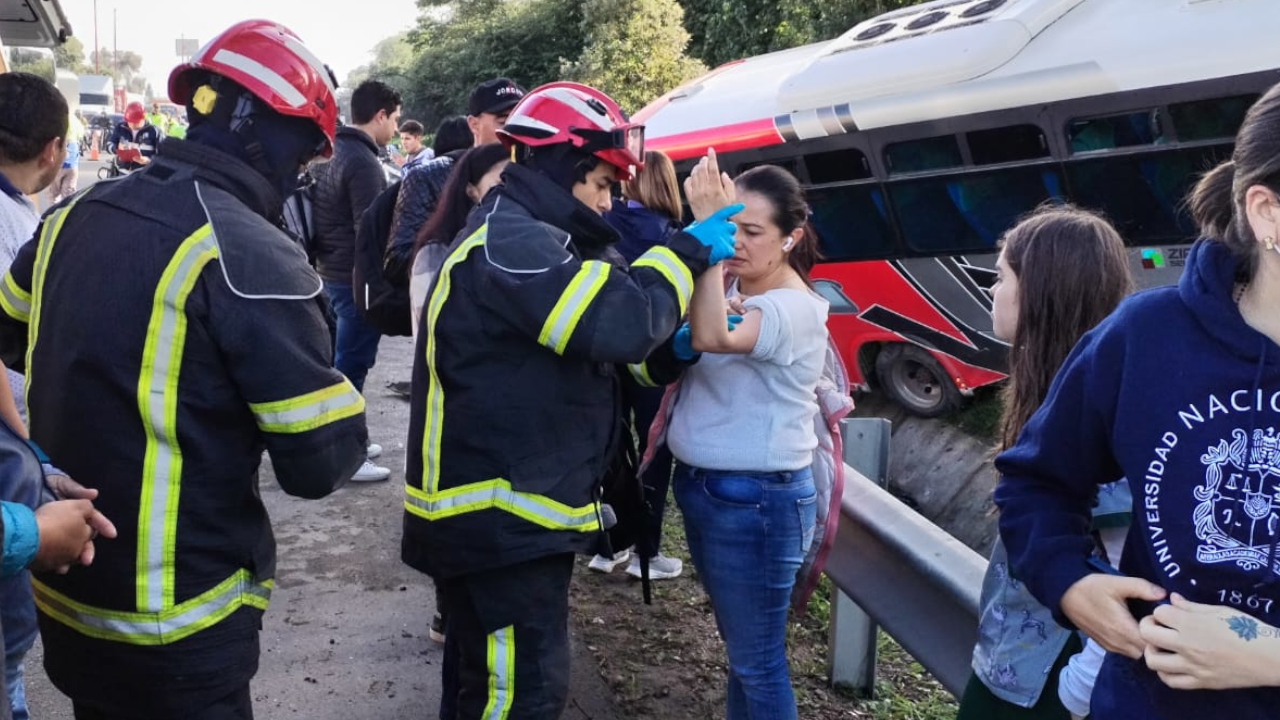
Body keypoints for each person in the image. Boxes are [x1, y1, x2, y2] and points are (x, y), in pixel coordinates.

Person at [0, 20, 369, 720]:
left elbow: (12, 340)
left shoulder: (69, 216)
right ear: (271, 137)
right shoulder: (249, 252)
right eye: (304, 158)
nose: (300, 175)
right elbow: (317, 465)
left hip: (69, 594)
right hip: (182, 625)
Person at [402, 81, 738, 719]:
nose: (611, 205)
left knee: (483, 689)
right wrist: (689, 248)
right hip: (498, 520)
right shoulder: (515, 241)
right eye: (605, 185)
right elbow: (615, 323)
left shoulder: (542, 239)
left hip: (503, 520)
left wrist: (671, 353)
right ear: (567, 167)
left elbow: (604, 357)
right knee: (517, 697)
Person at [994, 82, 1280, 720]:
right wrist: (1070, 580)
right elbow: (1034, 482)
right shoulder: (1145, 338)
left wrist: (1268, 657)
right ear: (1267, 211)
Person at [657, 154, 825, 720]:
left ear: (791, 237)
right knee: (744, 654)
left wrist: (705, 243)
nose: (736, 243)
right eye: (730, 229)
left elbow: (709, 337)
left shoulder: (791, 308)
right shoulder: (743, 293)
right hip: (718, 492)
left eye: (752, 231)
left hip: (756, 499)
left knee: (757, 661)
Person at [954, 206, 1134, 720]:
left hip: (1052, 685)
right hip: (1017, 668)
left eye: (1001, 275)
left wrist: (1075, 692)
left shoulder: (1098, 411)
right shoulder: (1060, 393)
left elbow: (1129, 565)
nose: (992, 289)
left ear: (1040, 290)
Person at [383, 78, 525, 397]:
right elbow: (399, 257)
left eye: (521, 121)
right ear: (473, 123)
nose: (514, 132)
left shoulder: (533, 178)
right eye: (504, 123)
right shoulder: (429, 176)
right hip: (451, 351)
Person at [590, 149, 686, 580]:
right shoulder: (670, 234)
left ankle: (608, 546)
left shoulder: (603, 222)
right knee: (652, 453)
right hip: (652, 357)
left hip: (606, 353)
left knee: (611, 447)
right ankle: (649, 553)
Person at [311, 79, 401, 482]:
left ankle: (351, 442)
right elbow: (371, 229)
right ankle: (346, 456)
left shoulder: (334, 152)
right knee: (351, 367)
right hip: (354, 279)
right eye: (395, 119)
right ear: (380, 116)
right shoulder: (364, 162)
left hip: (332, 272)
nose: (397, 129)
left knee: (338, 363)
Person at [106, 101, 161, 172]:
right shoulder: (120, 127)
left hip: (144, 174)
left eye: (136, 122)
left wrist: (149, 160)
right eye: (130, 122)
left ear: (143, 118)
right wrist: (116, 148)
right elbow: (108, 145)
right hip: (123, 174)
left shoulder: (154, 131)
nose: (132, 125)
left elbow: (164, 155)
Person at [47, 109, 82, 205]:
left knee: (53, 195)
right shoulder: (75, 121)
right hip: (73, 164)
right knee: (68, 196)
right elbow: (81, 135)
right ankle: (66, 217)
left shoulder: (56, 119)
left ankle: (53, 216)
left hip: (58, 165)